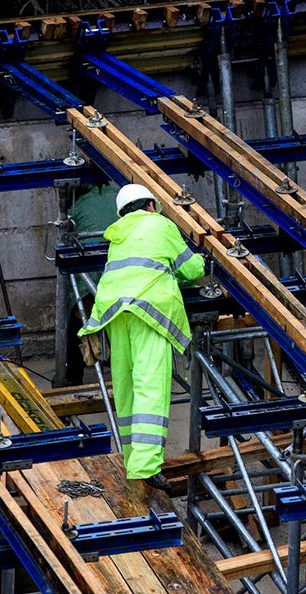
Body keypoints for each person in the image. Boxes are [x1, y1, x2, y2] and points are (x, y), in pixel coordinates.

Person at [78, 183, 206, 491]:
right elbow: (192, 269)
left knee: (126, 384)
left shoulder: (118, 235)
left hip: (113, 313)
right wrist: (202, 259)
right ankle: (148, 468)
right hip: (149, 310)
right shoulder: (160, 224)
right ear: (150, 205)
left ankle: (134, 460)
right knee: (151, 385)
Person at [64, 184, 118, 386]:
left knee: (77, 319)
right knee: (118, 322)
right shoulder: (119, 197)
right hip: (121, 281)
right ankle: (115, 363)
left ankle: (72, 377)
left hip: (91, 279)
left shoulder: (76, 208)